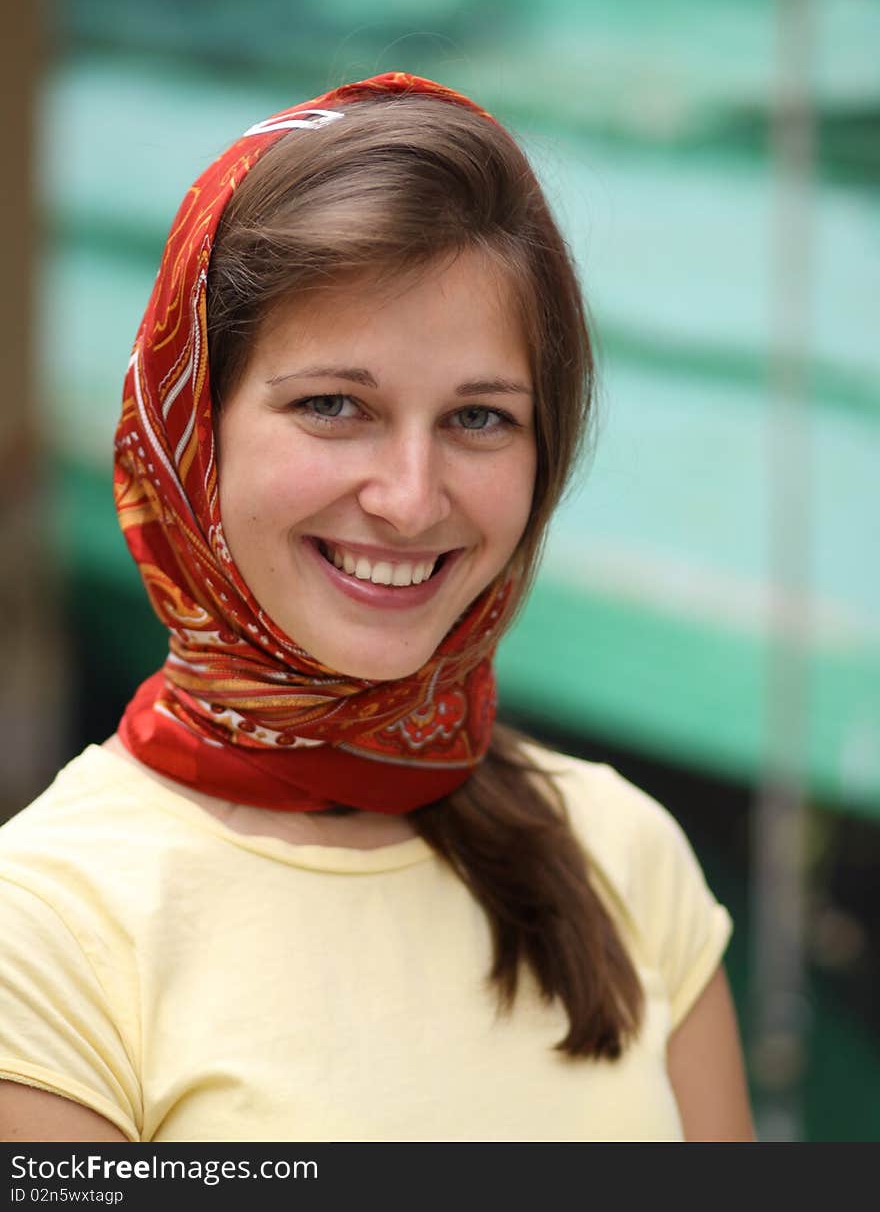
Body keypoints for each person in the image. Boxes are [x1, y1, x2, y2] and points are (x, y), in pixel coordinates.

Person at [0, 71, 754, 1142]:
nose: (409, 497)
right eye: (333, 406)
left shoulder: (623, 855)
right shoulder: (44, 929)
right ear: (190, 429)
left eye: (479, 418)